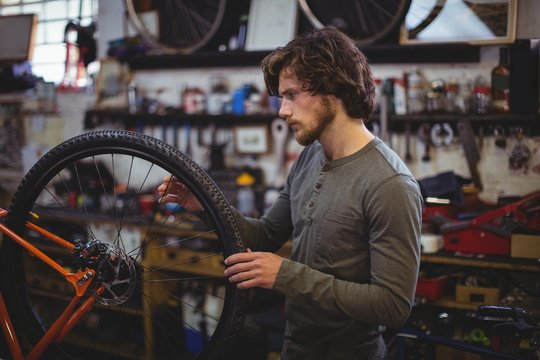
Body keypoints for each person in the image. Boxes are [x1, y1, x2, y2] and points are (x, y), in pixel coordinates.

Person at [158, 27, 423, 360]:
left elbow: (393, 306)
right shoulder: (311, 156)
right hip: (296, 347)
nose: (282, 110)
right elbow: (266, 235)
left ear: (333, 90)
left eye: (292, 94)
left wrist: (287, 275)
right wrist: (203, 204)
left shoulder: (390, 184)